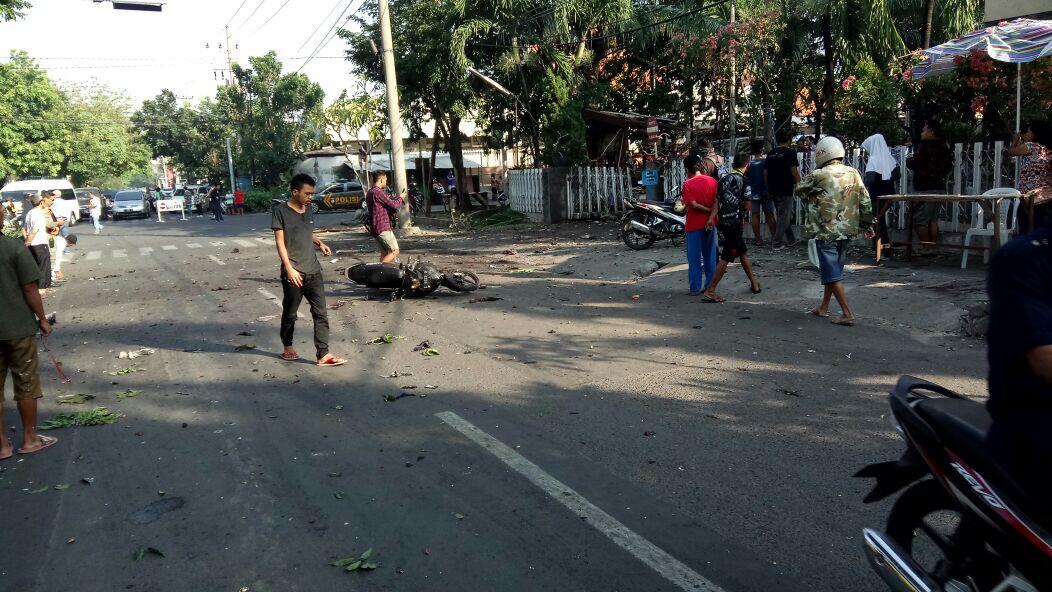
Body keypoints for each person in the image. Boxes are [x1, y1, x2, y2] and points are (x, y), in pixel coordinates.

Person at [796, 136, 874, 326]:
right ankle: (824, 307)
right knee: (833, 270)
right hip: (847, 230)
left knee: (831, 273)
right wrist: (868, 224)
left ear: (821, 153)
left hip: (826, 230)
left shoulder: (819, 175)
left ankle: (847, 312)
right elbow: (865, 200)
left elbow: (799, 190)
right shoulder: (853, 172)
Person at [271, 174, 345, 367]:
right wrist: (289, 269)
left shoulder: (309, 209)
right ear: (295, 192)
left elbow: (306, 231)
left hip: (313, 270)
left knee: (321, 313)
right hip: (294, 273)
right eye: (307, 193)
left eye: (312, 193)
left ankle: (323, 354)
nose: (310, 197)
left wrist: (320, 243)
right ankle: (287, 347)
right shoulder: (280, 211)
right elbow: (280, 242)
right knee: (290, 313)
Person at [0, 232, 56, 459]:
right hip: (18, 329)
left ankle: (2, 446)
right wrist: (42, 319)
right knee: (26, 383)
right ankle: (30, 439)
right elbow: (30, 288)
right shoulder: (12, 247)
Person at [703, 151, 762, 302]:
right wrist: (743, 215)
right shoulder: (745, 181)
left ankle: (754, 284)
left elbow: (717, 202)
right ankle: (711, 290)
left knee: (742, 252)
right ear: (747, 165)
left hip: (723, 221)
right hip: (735, 222)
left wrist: (711, 218)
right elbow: (748, 205)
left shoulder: (724, 180)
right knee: (727, 256)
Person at [906, 120, 952, 255]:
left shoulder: (924, 146)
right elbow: (948, 166)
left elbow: (914, 162)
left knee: (919, 220)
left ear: (931, 131)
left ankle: (927, 248)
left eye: (924, 130)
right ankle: (931, 247)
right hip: (939, 186)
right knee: (933, 220)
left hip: (925, 188)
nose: (922, 133)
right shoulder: (944, 147)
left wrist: (910, 161)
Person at [681, 154, 719, 296]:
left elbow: (694, 205)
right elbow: (716, 202)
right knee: (710, 257)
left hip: (693, 225)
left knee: (694, 258)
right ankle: (709, 286)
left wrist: (707, 210)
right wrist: (711, 215)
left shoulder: (687, 184)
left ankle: (695, 288)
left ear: (687, 169)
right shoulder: (713, 181)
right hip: (710, 223)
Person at [860, 133, 899, 258]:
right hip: (889, 196)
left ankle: (879, 248)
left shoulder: (873, 160)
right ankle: (885, 249)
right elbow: (898, 175)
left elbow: (869, 180)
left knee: (876, 223)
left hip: (876, 197)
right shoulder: (890, 159)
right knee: (879, 222)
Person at [765, 129, 801, 249]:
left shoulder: (771, 153)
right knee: (783, 216)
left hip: (773, 189)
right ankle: (777, 243)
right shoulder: (790, 153)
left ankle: (791, 240)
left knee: (782, 215)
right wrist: (800, 184)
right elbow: (794, 171)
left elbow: (765, 173)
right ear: (789, 140)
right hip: (785, 189)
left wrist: (768, 188)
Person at [365, 171, 405, 263]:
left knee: (385, 253)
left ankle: (380, 274)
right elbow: (394, 205)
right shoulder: (378, 192)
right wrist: (401, 197)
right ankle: (381, 271)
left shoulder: (370, 192)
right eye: (386, 180)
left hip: (375, 227)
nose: (386, 182)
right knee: (395, 251)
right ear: (381, 179)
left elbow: (383, 205)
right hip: (383, 227)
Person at [745, 138, 776, 245]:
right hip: (765, 192)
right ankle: (773, 238)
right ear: (762, 149)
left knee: (755, 215)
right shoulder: (766, 162)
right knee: (770, 215)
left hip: (753, 193)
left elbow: (746, 179)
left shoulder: (749, 164)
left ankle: (758, 239)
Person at [23, 194, 54, 291]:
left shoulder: (29, 213)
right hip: (39, 242)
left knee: (37, 264)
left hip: (32, 243)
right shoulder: (38, 213)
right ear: (41, 202)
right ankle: (42, 286)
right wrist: (29, 241)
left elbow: (24, 229)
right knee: (44, 264)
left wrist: (27, 241)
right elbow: (35, 229)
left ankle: (41, 285)